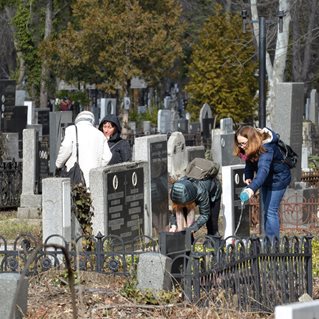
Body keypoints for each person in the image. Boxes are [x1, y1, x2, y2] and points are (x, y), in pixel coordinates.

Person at [233, 125, 291, 238]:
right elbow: (249, 161)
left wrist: (251, 188)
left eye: (243, 143)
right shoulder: (249, 147)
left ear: (252, 139)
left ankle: (273, 245)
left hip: (279, 179)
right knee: (266, 210)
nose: (241, 146)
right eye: (239, 144)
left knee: (271, 211)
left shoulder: (267, 148)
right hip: (266, 179)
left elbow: (263, 171)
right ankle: (268, 240)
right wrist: (248, 175)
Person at [56, 111, 112, 188]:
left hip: (76, 174)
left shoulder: (72, 129)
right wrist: (97, 167)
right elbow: (107, 156)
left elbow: (66, 148)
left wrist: (58, 164)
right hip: (93, 177)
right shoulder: (100, 134)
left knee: (75, 197)